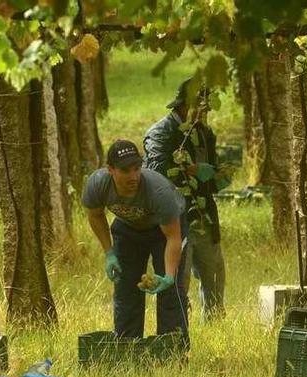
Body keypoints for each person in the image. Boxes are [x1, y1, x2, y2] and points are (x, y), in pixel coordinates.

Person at [82, 139, 189, 339]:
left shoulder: (158, 191)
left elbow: (173, 237)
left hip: (164, 229)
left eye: (137, 168)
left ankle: (172, 352)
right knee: (125, 288)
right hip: (129, 226)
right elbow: (95, 215)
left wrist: (168, 276)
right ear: (110, 170)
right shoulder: (97, 185)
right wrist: (109, 253)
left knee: (170, 291)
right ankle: (128, 349)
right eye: (125, 171)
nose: (133, 176)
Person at [144, 79, 228, 321]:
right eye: (200, 108)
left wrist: (216, 175)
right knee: (179, 277)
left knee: (214, 274)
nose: (204, 114)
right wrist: (188, 170)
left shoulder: (204, 133)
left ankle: (215, 325)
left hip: (203, 216)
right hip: (173, 218)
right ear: (185, 105)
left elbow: (210, 173)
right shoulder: (161, 132)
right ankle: (177, 325)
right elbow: (155, 171)